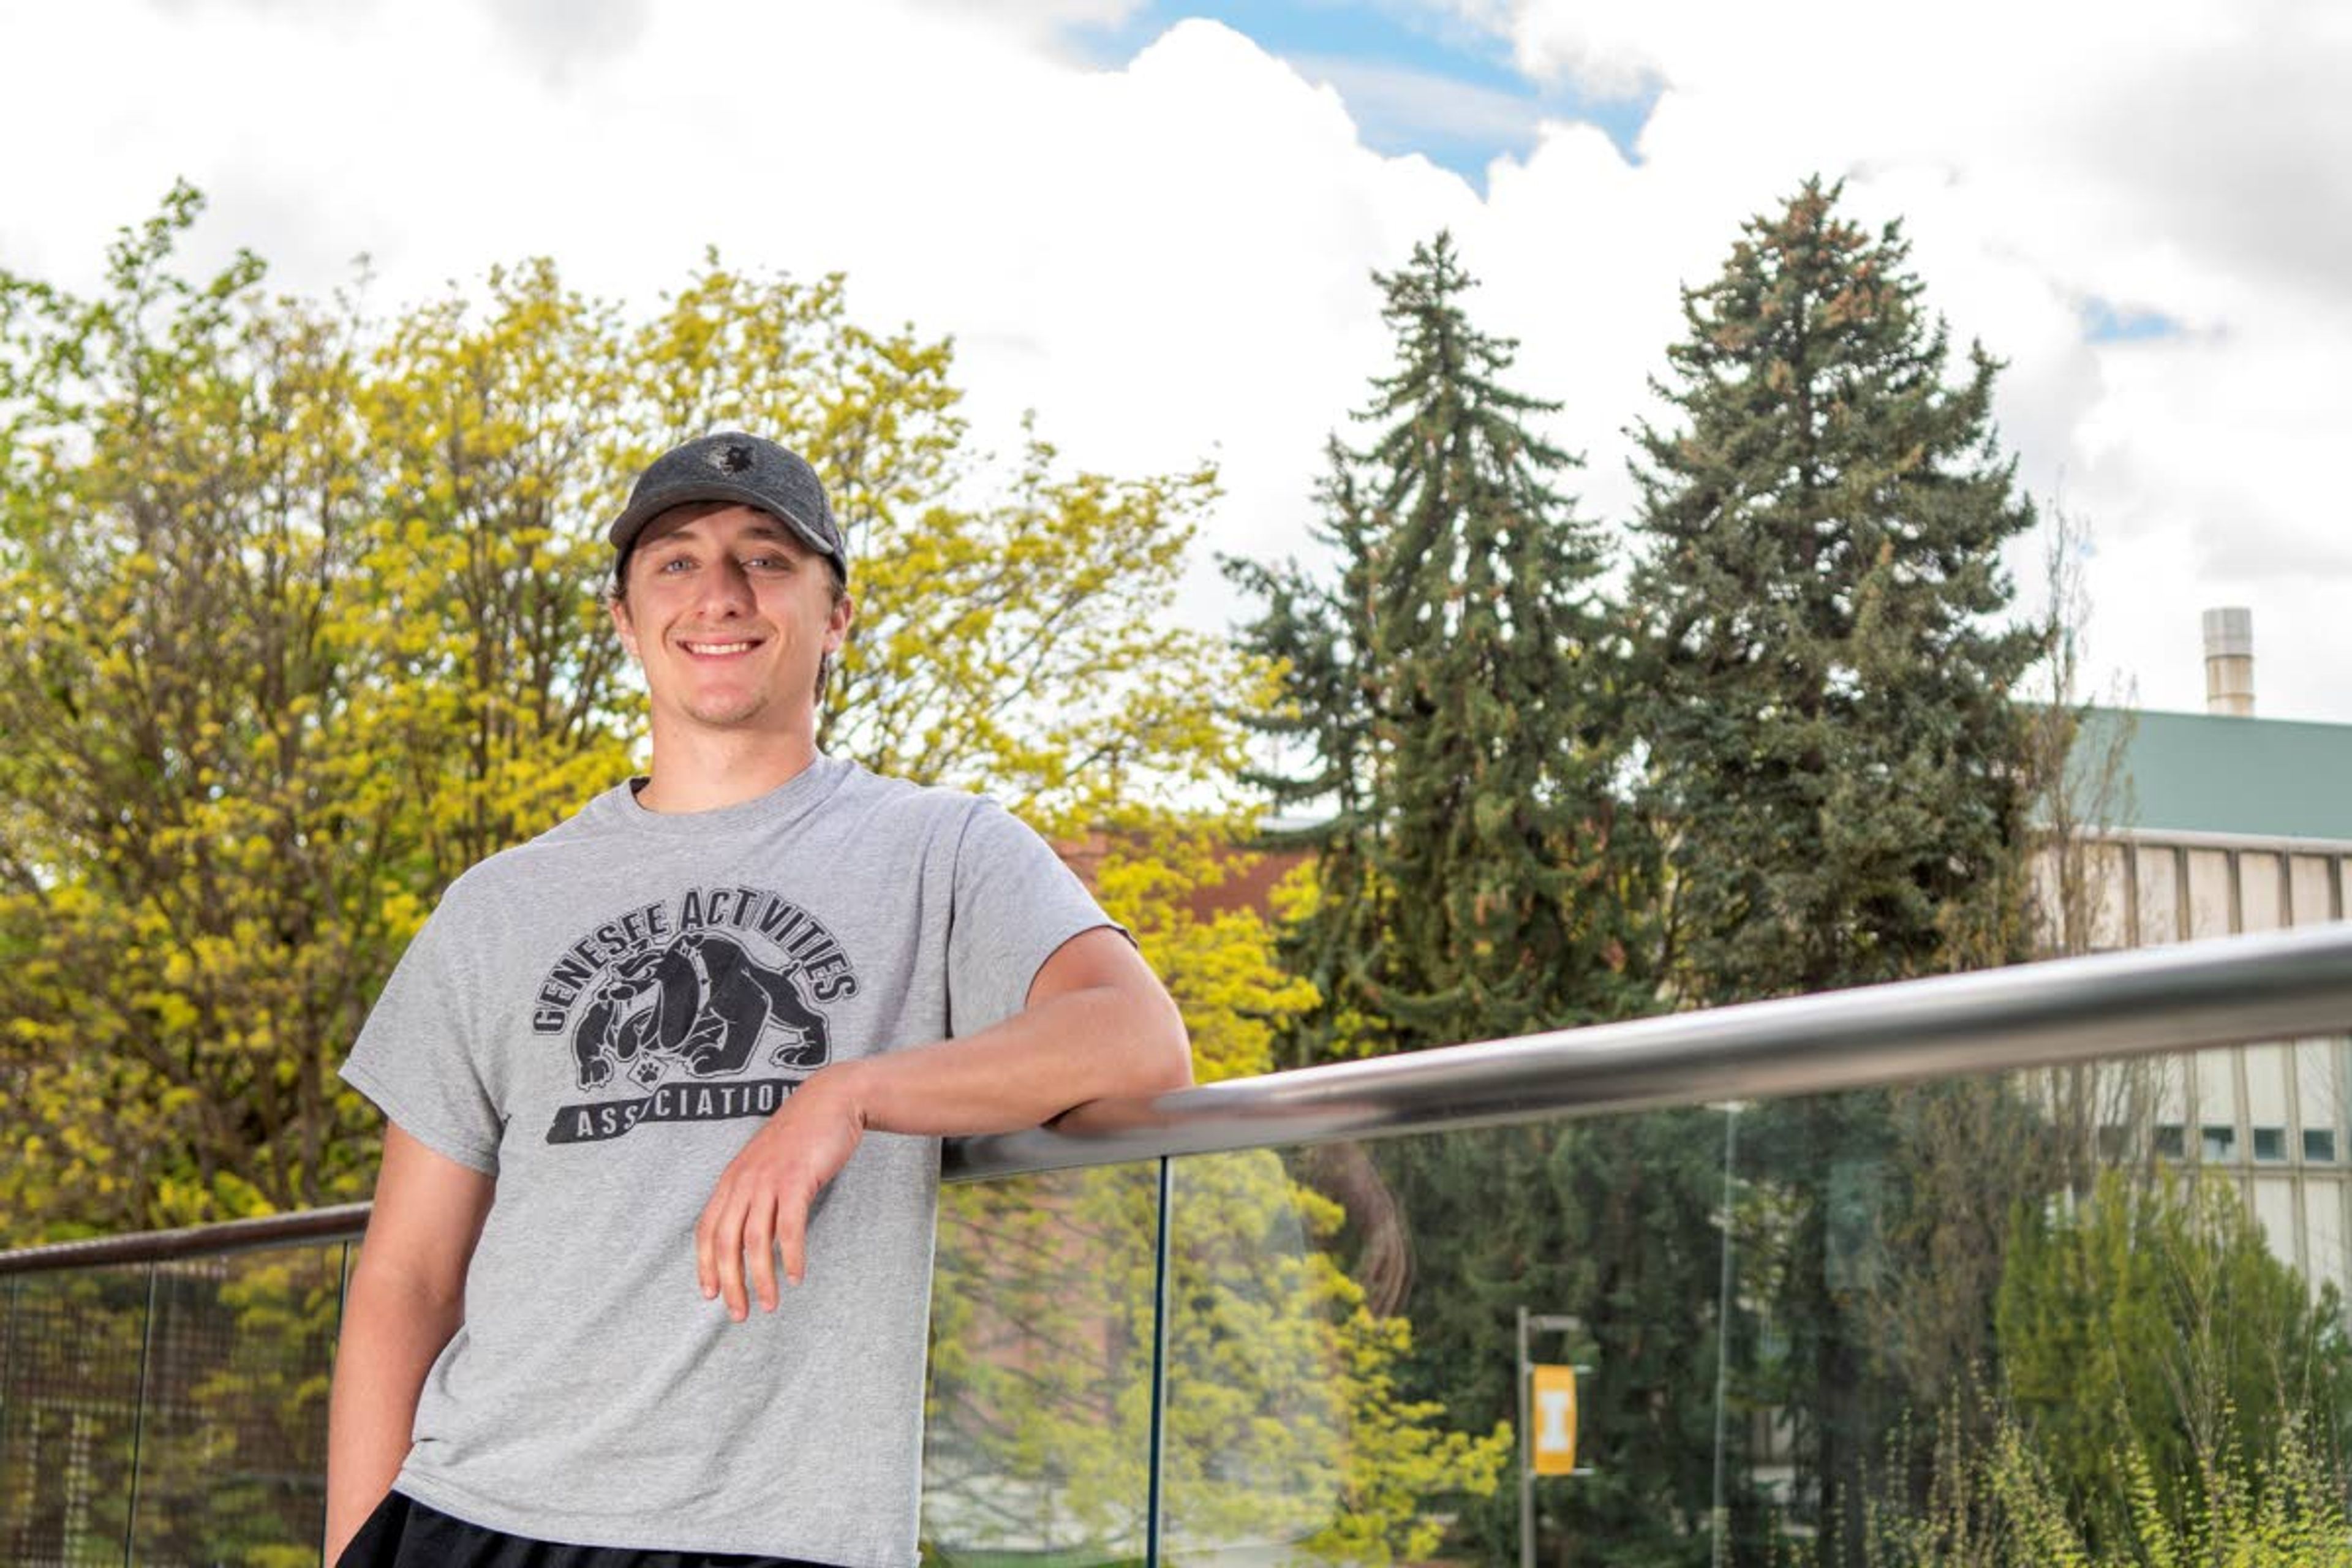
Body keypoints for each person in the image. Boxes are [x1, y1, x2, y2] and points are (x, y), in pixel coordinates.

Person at [324, 432, 1193, 1567]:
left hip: (782, 1536)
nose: (720, 595)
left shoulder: (942, 849)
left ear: (836, 616)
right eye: (676, 563)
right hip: (476, 1515)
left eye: (768, 560)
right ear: (627, 620)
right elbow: (409, 1275)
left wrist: (850, 1094)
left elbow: (1136, 1041)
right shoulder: (497, 906)